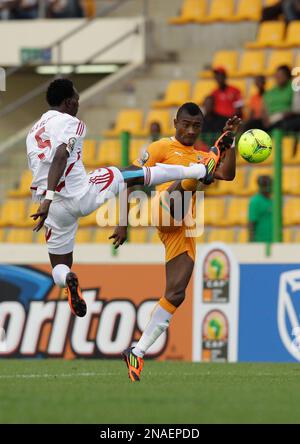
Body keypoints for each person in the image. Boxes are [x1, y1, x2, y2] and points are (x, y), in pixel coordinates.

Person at [26, 79, 221, 319]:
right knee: (129, 174)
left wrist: (46, 200)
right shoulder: (72, 123)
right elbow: (60, 156)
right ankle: (198, 171)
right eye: (77, 99)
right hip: (78, 195)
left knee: (59, 266)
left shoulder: (33, 131)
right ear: (69, 102)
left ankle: (67, 280)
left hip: (53, 210)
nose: (78, 104)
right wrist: (49, 197)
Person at [111, 102, 241, 382]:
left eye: (196, 126)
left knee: (176, 293)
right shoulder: (160, 148)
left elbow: (228, 175)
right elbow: (130, 180)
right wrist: (122, 222)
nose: (190, 130)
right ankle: (198, 171)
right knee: (195, 174)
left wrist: (231, 146)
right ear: (175, 123)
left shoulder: (199, 154)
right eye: (186, 124)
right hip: (163, 207)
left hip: (183, 227)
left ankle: (137, 351)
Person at [262, 65, 294, 130]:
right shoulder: (270, 92)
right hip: (270, 120)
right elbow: (264, 109)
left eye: (281, 75)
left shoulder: (294, 89)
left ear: (287, 76)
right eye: (277, 75)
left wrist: (279, 116)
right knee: (250, 124)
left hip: (287, 119)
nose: (278, 77)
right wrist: (266, 119)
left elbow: (296, 109)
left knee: (279, 125)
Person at [248, 175, 273, 243]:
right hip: (260, 242)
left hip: (273, 241)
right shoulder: (255, 201)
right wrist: (252, 242)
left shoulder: (273, 201)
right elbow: (251, 224)